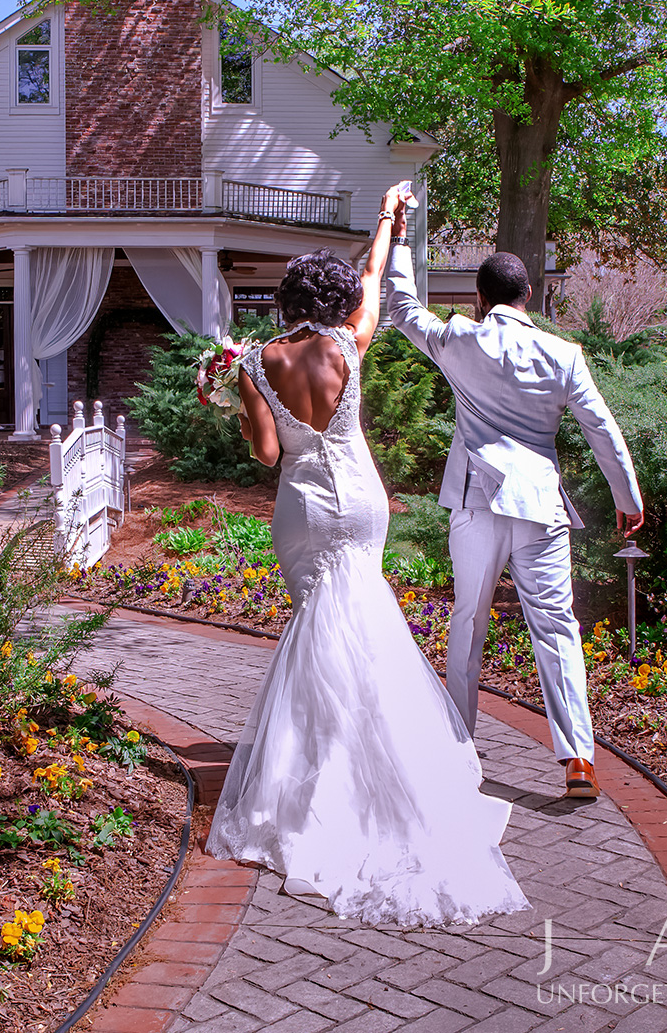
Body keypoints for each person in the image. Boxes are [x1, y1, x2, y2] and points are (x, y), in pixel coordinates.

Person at [204, 188, 528, 927]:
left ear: (288, 300)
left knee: (319, 627)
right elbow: (376, 279)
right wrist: (387, 220)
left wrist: (227, 401)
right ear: (339, 297)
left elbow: (265, 454)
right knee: (364, 622)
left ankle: (329, 772)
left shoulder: (256, 361)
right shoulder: (349, 342)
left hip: (304, 508)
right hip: (361, 500)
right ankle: (389, 762)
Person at [384, 185, 645, 798]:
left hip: (478, 498)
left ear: (480, 298)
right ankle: (579, 758)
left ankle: (456, 748)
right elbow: (601, 427)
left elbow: (398, 305)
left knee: (468, 619)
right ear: (530, 295)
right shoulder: (565, 354)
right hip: (541, 505)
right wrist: (626, 496)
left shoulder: (460, 340)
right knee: (556, 625)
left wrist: (399, 239)